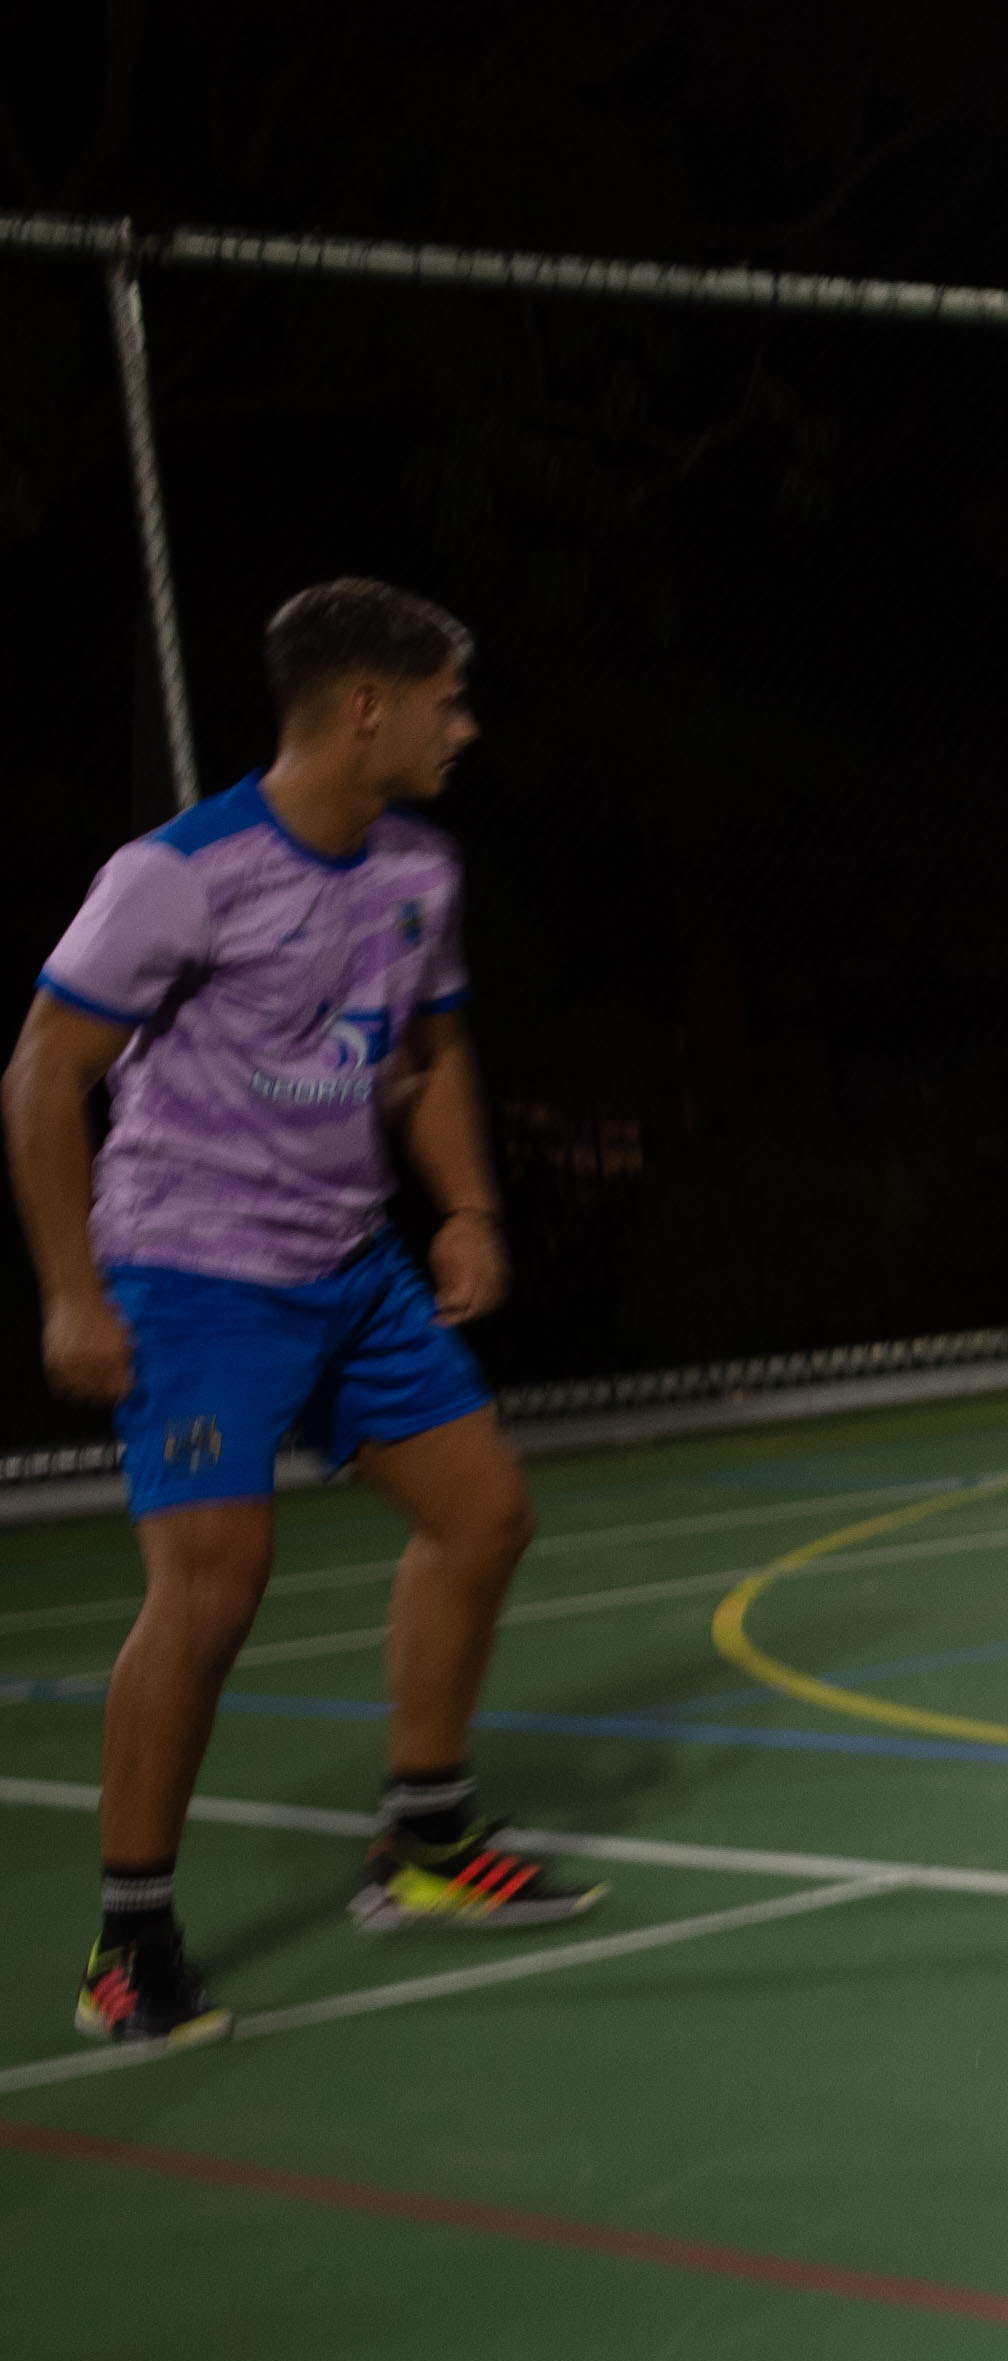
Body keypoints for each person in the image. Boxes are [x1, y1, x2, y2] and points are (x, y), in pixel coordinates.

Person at [13, 580, 607, 2050]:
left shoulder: (419, 867)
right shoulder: (179, 873)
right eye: (447, 703)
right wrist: (71, 1292)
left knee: (483, 1517)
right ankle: (128, 1950)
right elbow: (42, 1073)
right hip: (191, 1269)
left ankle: (425, 1844)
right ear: (364, 707)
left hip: (349, 1264)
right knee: (213, 1588)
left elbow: (427, 1053)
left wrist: (466, 1210)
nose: (465, 728)